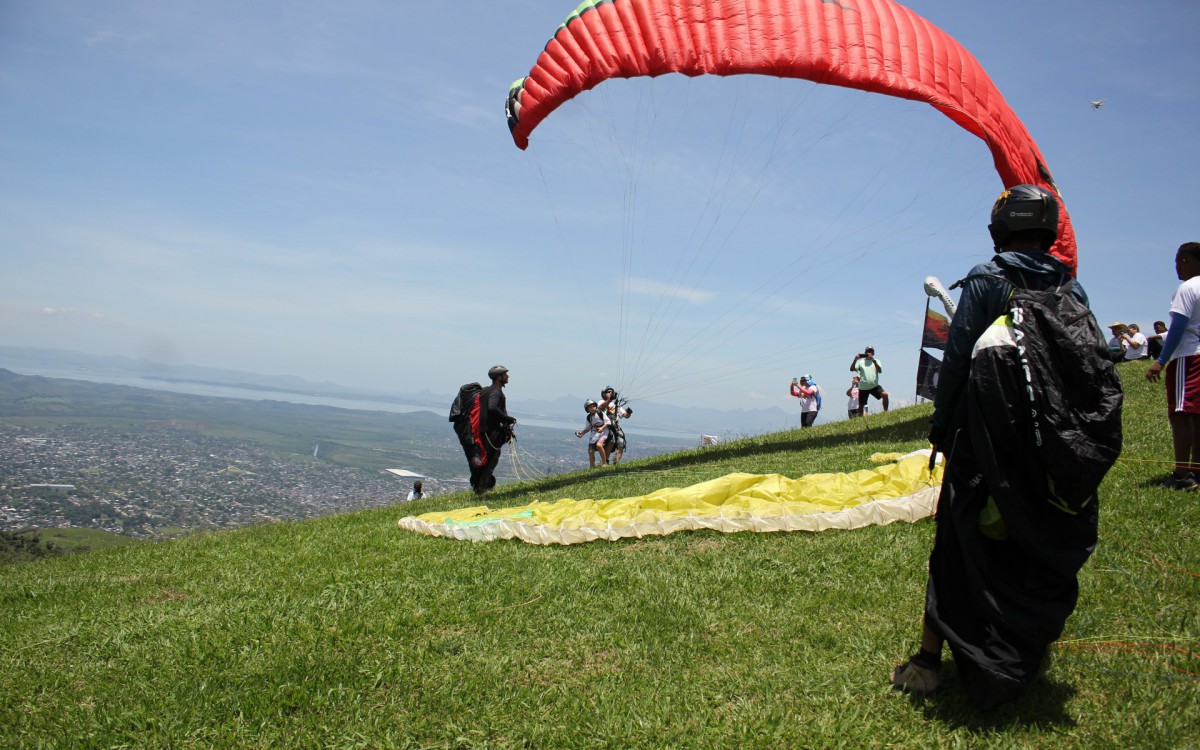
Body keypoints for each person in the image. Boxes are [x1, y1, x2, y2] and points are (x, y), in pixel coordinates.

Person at [892, 184, 1118, 710]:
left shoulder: (988, 279)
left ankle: (927, 663)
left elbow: (959, 358)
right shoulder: (1070, 288)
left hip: (986, 434)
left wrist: (942, 428)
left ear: (1001, 227)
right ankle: (1016, 649)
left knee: (958, 537)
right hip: (1050, 440)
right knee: (1024, 534)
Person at [1147, 242, 1200, 490]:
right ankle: (1197, 472)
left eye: (1180, 261)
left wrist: (1160, 361)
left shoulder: (1187, 288)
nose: (1177, 267)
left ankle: (1181, 475)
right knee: (1197, 416)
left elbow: (1178, 326)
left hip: (1188, 357)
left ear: (1188, 261)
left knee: (1180, 415)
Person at [464, 365, 516, 495]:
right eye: (505, 374)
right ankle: (482, 488)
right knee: (492, 459)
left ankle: (479, 485)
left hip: (482, 432)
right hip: (491, 433)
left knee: (485, 459)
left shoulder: (486, 391)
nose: (507, 376)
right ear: (499, 377)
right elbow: (492, 407)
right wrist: (507, 418)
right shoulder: (496, 392)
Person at [599, 386, 633, 464]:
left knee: (621, 443)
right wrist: (609, 400)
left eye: (612, 392)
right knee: (611, 442)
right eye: (608, 392)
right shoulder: (601, 402)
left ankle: (616, 462)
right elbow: (601, 407)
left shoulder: (616, 405)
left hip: (616, 427)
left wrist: (629, 412)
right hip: (606, 427)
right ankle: (605, 462)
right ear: (604, 394)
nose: (610, 393)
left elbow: (625, 416)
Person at [851, 347, 888, 415]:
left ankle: (885, 413)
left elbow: (880, 371)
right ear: (865, 353)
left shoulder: (876, 360)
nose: (869, 353)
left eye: (871, 351)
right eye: (868, 351)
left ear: (873, 353)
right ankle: (859, 420)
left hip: (874, 386)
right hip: (863, 387)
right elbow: (852, 369)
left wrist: (873, 361)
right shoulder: (860, 362)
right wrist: (855, 359)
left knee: (885, 395)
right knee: (861, 405)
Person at [575, 399, 609, 467]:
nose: (593, 408)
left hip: (603, 432)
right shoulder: (589, 417)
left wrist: (602, 428)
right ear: (587, 409)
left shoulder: (600, 413)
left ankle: (604, 463)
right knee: (591, 451)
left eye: (593, 406)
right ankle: (592, 466)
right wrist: (582, 433)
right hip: (594, 433)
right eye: (590, 407)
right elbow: (588, 427)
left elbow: (608, 422)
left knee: (599, 445)